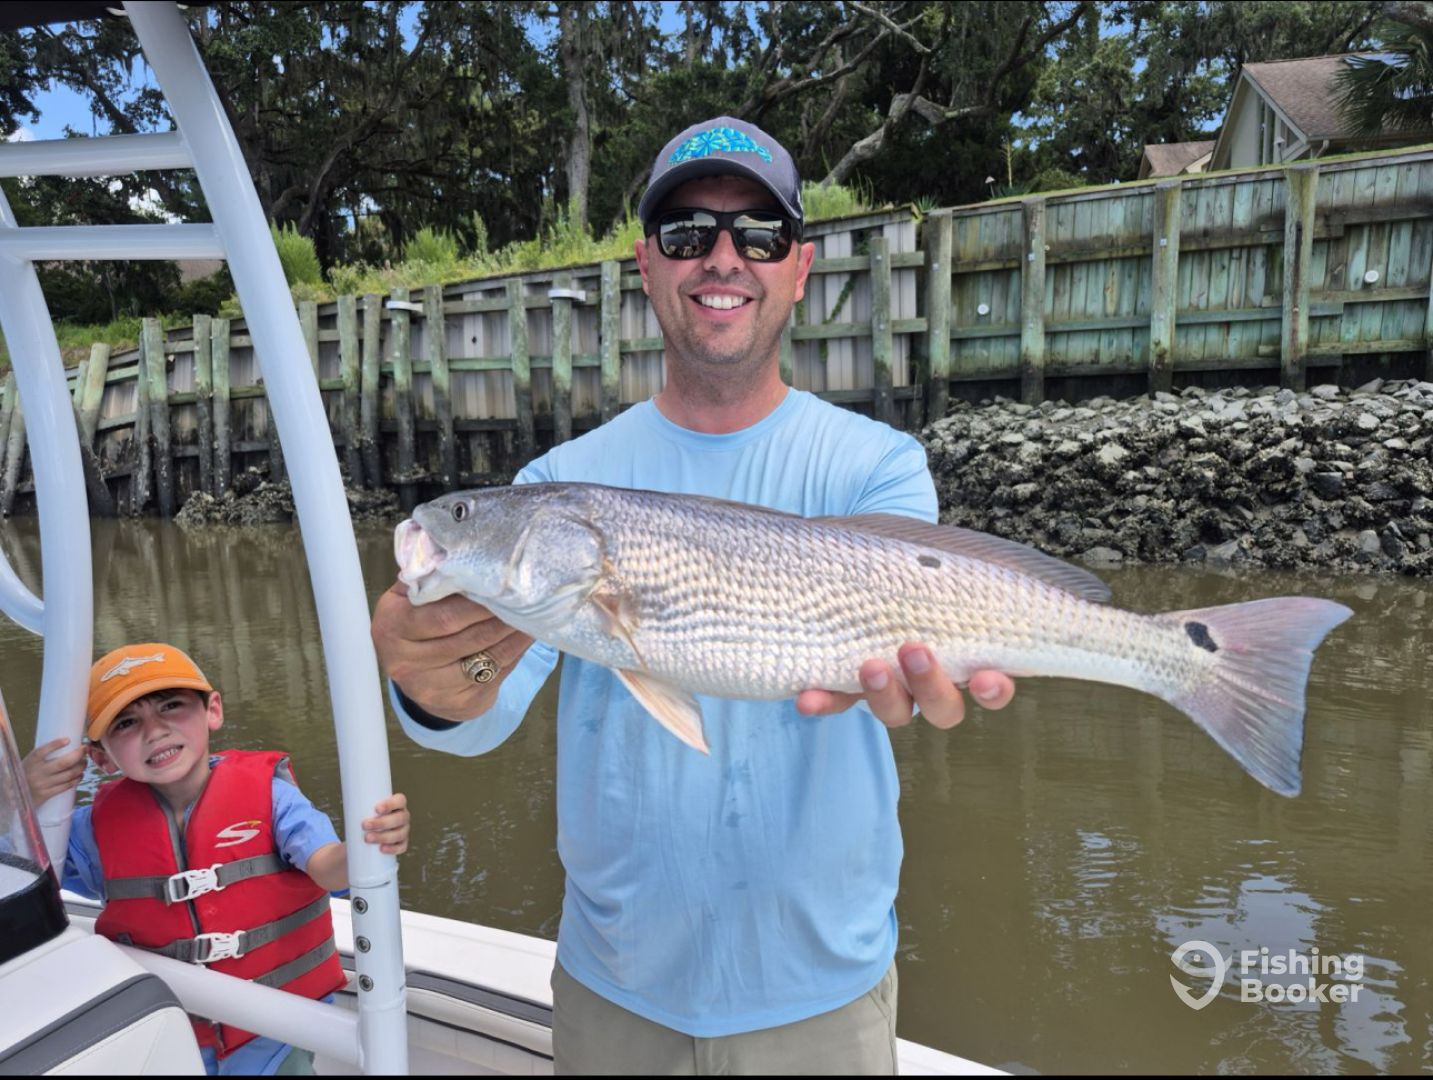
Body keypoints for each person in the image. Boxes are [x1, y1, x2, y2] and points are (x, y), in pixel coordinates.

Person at [370, 115, 1015, 1074]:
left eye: (759, 233)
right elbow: (481, 716)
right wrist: (437, 681)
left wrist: (919, 677)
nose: (722, 257)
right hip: (615, 987)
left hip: (821, 994)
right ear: (646, 264)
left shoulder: (876, 466)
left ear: (799, 266)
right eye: (685, 234)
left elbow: (904, 657)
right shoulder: (557, 483)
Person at [22, 642, 411, 1077]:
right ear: (100, 756)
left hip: (274, 1033)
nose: (155, 731)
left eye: (171, 706)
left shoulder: (272, 798)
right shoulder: (90, 830)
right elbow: (18, 872)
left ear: (213, 711)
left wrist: (369, 845)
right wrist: (16, 796)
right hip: (165, 1030)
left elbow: (328, 867)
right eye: (127, 723)